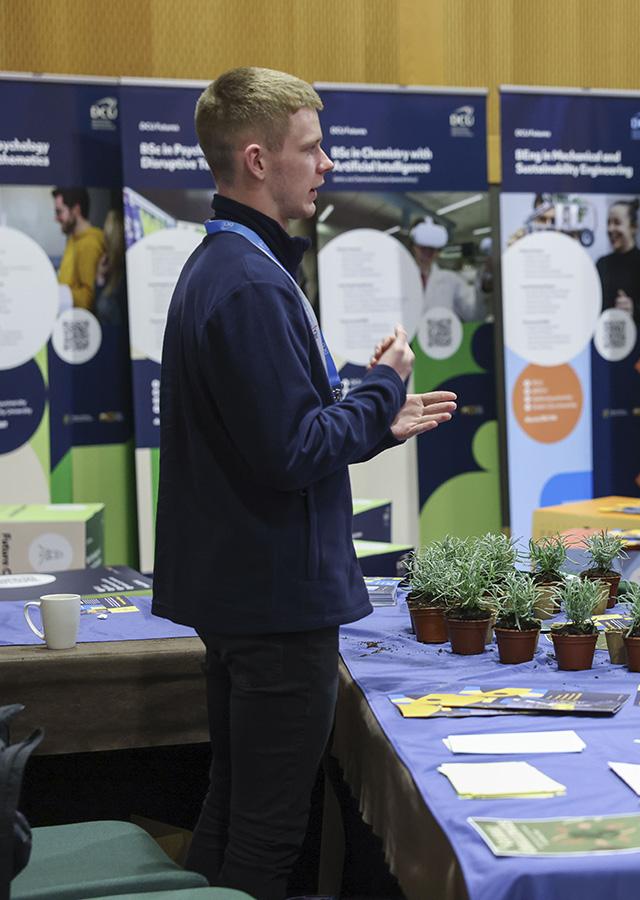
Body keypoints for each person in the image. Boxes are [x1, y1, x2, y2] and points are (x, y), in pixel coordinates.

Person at [152, 66, 456, 900]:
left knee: (230, 813)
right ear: (257, 160)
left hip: (248, 594)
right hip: (275, 603)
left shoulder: (227, 267)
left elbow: (273, 437)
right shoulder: (249, 283)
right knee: (266, 835)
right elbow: (288, 453)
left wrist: (367, 415)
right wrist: (379, 387)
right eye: (311, 148)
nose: (326, 165)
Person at [595, 198, 640, 332]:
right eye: (608, 223)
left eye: (617, 222)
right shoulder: (601, 264)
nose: (610, 228)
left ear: (634, 227)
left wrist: (635, 310)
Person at [410, 217, 482, 321]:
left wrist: (484, 286)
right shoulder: (398, 279)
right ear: (414, 245)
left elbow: (474, 315)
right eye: (423, 245)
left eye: (433, 246)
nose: (428, 250)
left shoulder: (452, 280)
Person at [52, 187, 105, 311]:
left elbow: (88, 298)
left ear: (75, 210)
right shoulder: (73, 240)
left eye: (59, 212)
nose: (56, 218)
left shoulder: (90, 244)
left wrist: (55, 293)